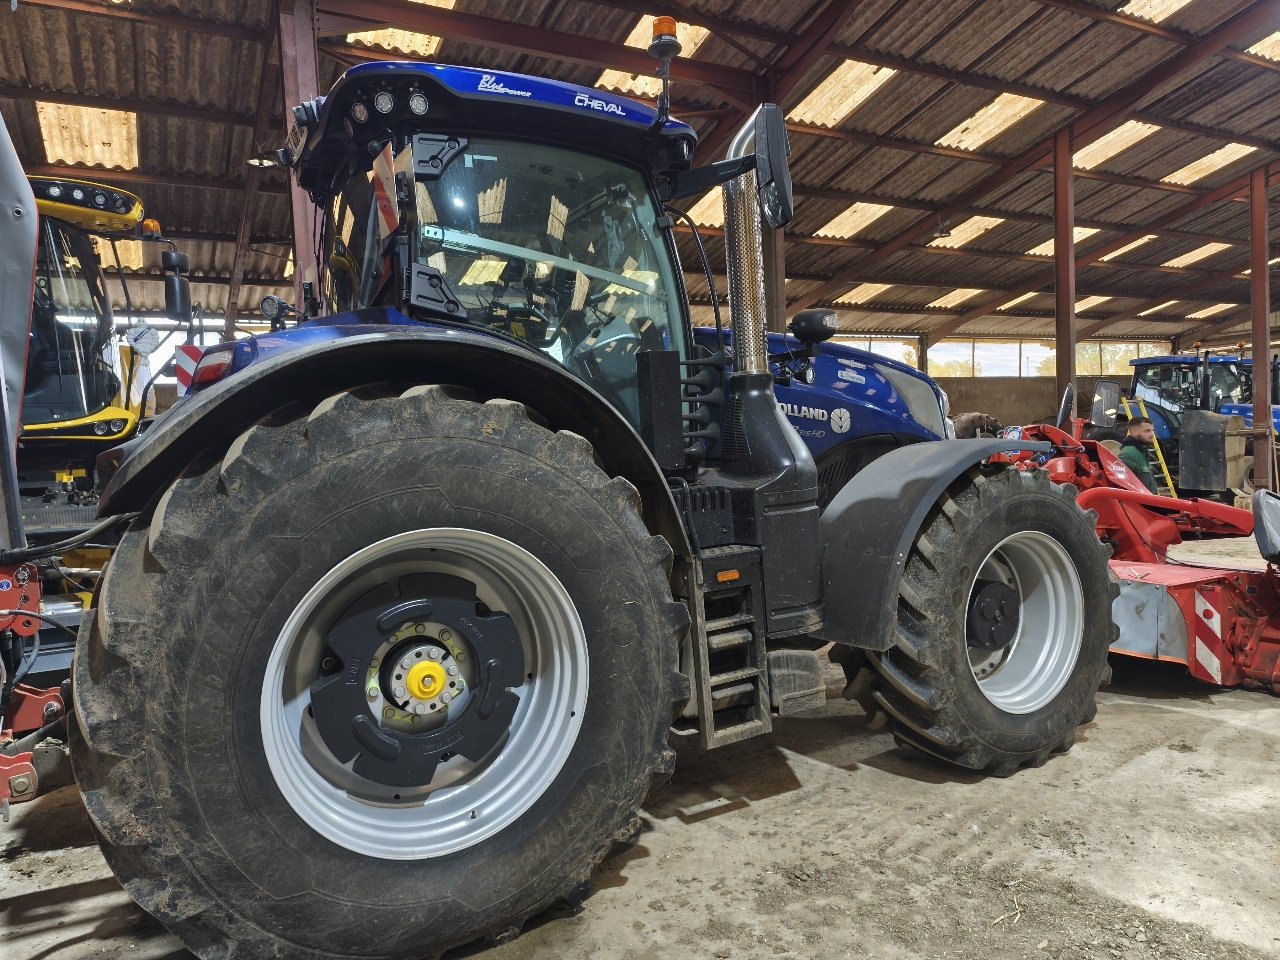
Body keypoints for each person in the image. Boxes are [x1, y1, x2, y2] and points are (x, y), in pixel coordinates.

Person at [1118, 417, 1159, 493]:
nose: (1152, 434)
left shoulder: (1142, 451)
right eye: (1147, 431)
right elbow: (1121, 486)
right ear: (1134, 433)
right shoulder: (1128, 453)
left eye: (1152, 430)